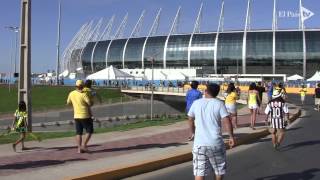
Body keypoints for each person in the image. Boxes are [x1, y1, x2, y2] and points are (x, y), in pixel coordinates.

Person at [188, 83, 235, 180]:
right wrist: (231, 137)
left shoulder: (196, 103)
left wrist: (192, 132)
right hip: (215, 143)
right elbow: (227, 121)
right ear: (216, 93)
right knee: (218, 170)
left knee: (199, 172)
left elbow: (190, 118)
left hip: (199, 144)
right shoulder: (219, 104)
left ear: (206, 91)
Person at [67, 80, 93, 153]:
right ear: (82, 86)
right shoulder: (83, 94)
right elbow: (89, 103)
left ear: (76, 86)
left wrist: (75, 105)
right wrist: (92, 101)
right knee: (89, 131)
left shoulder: (71, 93)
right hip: (85, 115)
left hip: (76, 115)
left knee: (79, 132)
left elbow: (68, 103)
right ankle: (84, 145)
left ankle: (79, 148)